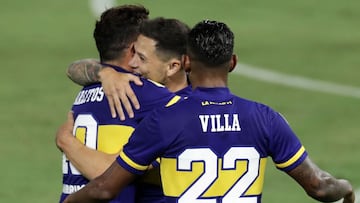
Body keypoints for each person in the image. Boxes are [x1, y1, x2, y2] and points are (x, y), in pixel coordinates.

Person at [62, 20, 355, 203]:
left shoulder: (165, 118)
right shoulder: (265, 118)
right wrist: (346, 188)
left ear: (185, 63)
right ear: (234, 62)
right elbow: (320, 187)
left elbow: (104, 188)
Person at [57, 8, 191, 203]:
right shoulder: (143, 93)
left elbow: (74, 69)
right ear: (133, 48)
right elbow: (109, 177)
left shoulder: (86, 90)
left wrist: (66, 142)